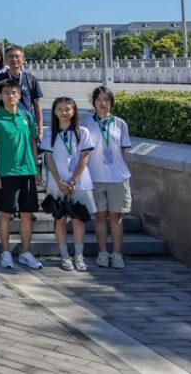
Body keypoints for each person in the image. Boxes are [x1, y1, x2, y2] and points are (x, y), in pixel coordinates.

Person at [0, 78, 43, 270]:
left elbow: (32, 142)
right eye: (6, 93)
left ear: (19, 95)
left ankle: (25, 252)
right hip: (6, 172)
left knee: (27, 214)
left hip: (27, 171)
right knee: (5, 213)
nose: (10, 96)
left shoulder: (26, 115)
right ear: (0, 96)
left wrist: (36, 167)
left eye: (14, 93)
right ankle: (5, 253)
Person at [41, 97, 96, 272]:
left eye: (68, 109)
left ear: (74, 111)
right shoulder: (49, 133)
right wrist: (59, 181)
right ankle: (65, 256)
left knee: (79, 219)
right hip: (57, 183)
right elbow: (48, 158)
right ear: (55, 112)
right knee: (60, 219)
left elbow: (84, 157)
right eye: (60, 109)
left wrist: (72, 180)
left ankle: (79, 256)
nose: (64, 113)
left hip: (79, 183)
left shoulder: (83, 132)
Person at [82, 85, 133, 269]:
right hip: (95, 177)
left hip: (117, 178)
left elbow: (122, 151)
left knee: (116, 216)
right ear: (94, 103)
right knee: (100, 216)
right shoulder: (87, 124)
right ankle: (103, 253)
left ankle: (117, 254)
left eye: (106, 100)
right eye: (99, 100)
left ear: (111, 102)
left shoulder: (120, 123)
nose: (103, 103)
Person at [0, 45, 44, 142]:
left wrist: (40, 129)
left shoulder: (30, 79)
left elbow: (37, 104)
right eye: (10, 56)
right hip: (5, 124)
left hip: (26, 122)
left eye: (17, 56)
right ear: (6, 60)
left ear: (23, 60)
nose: (14, 59)